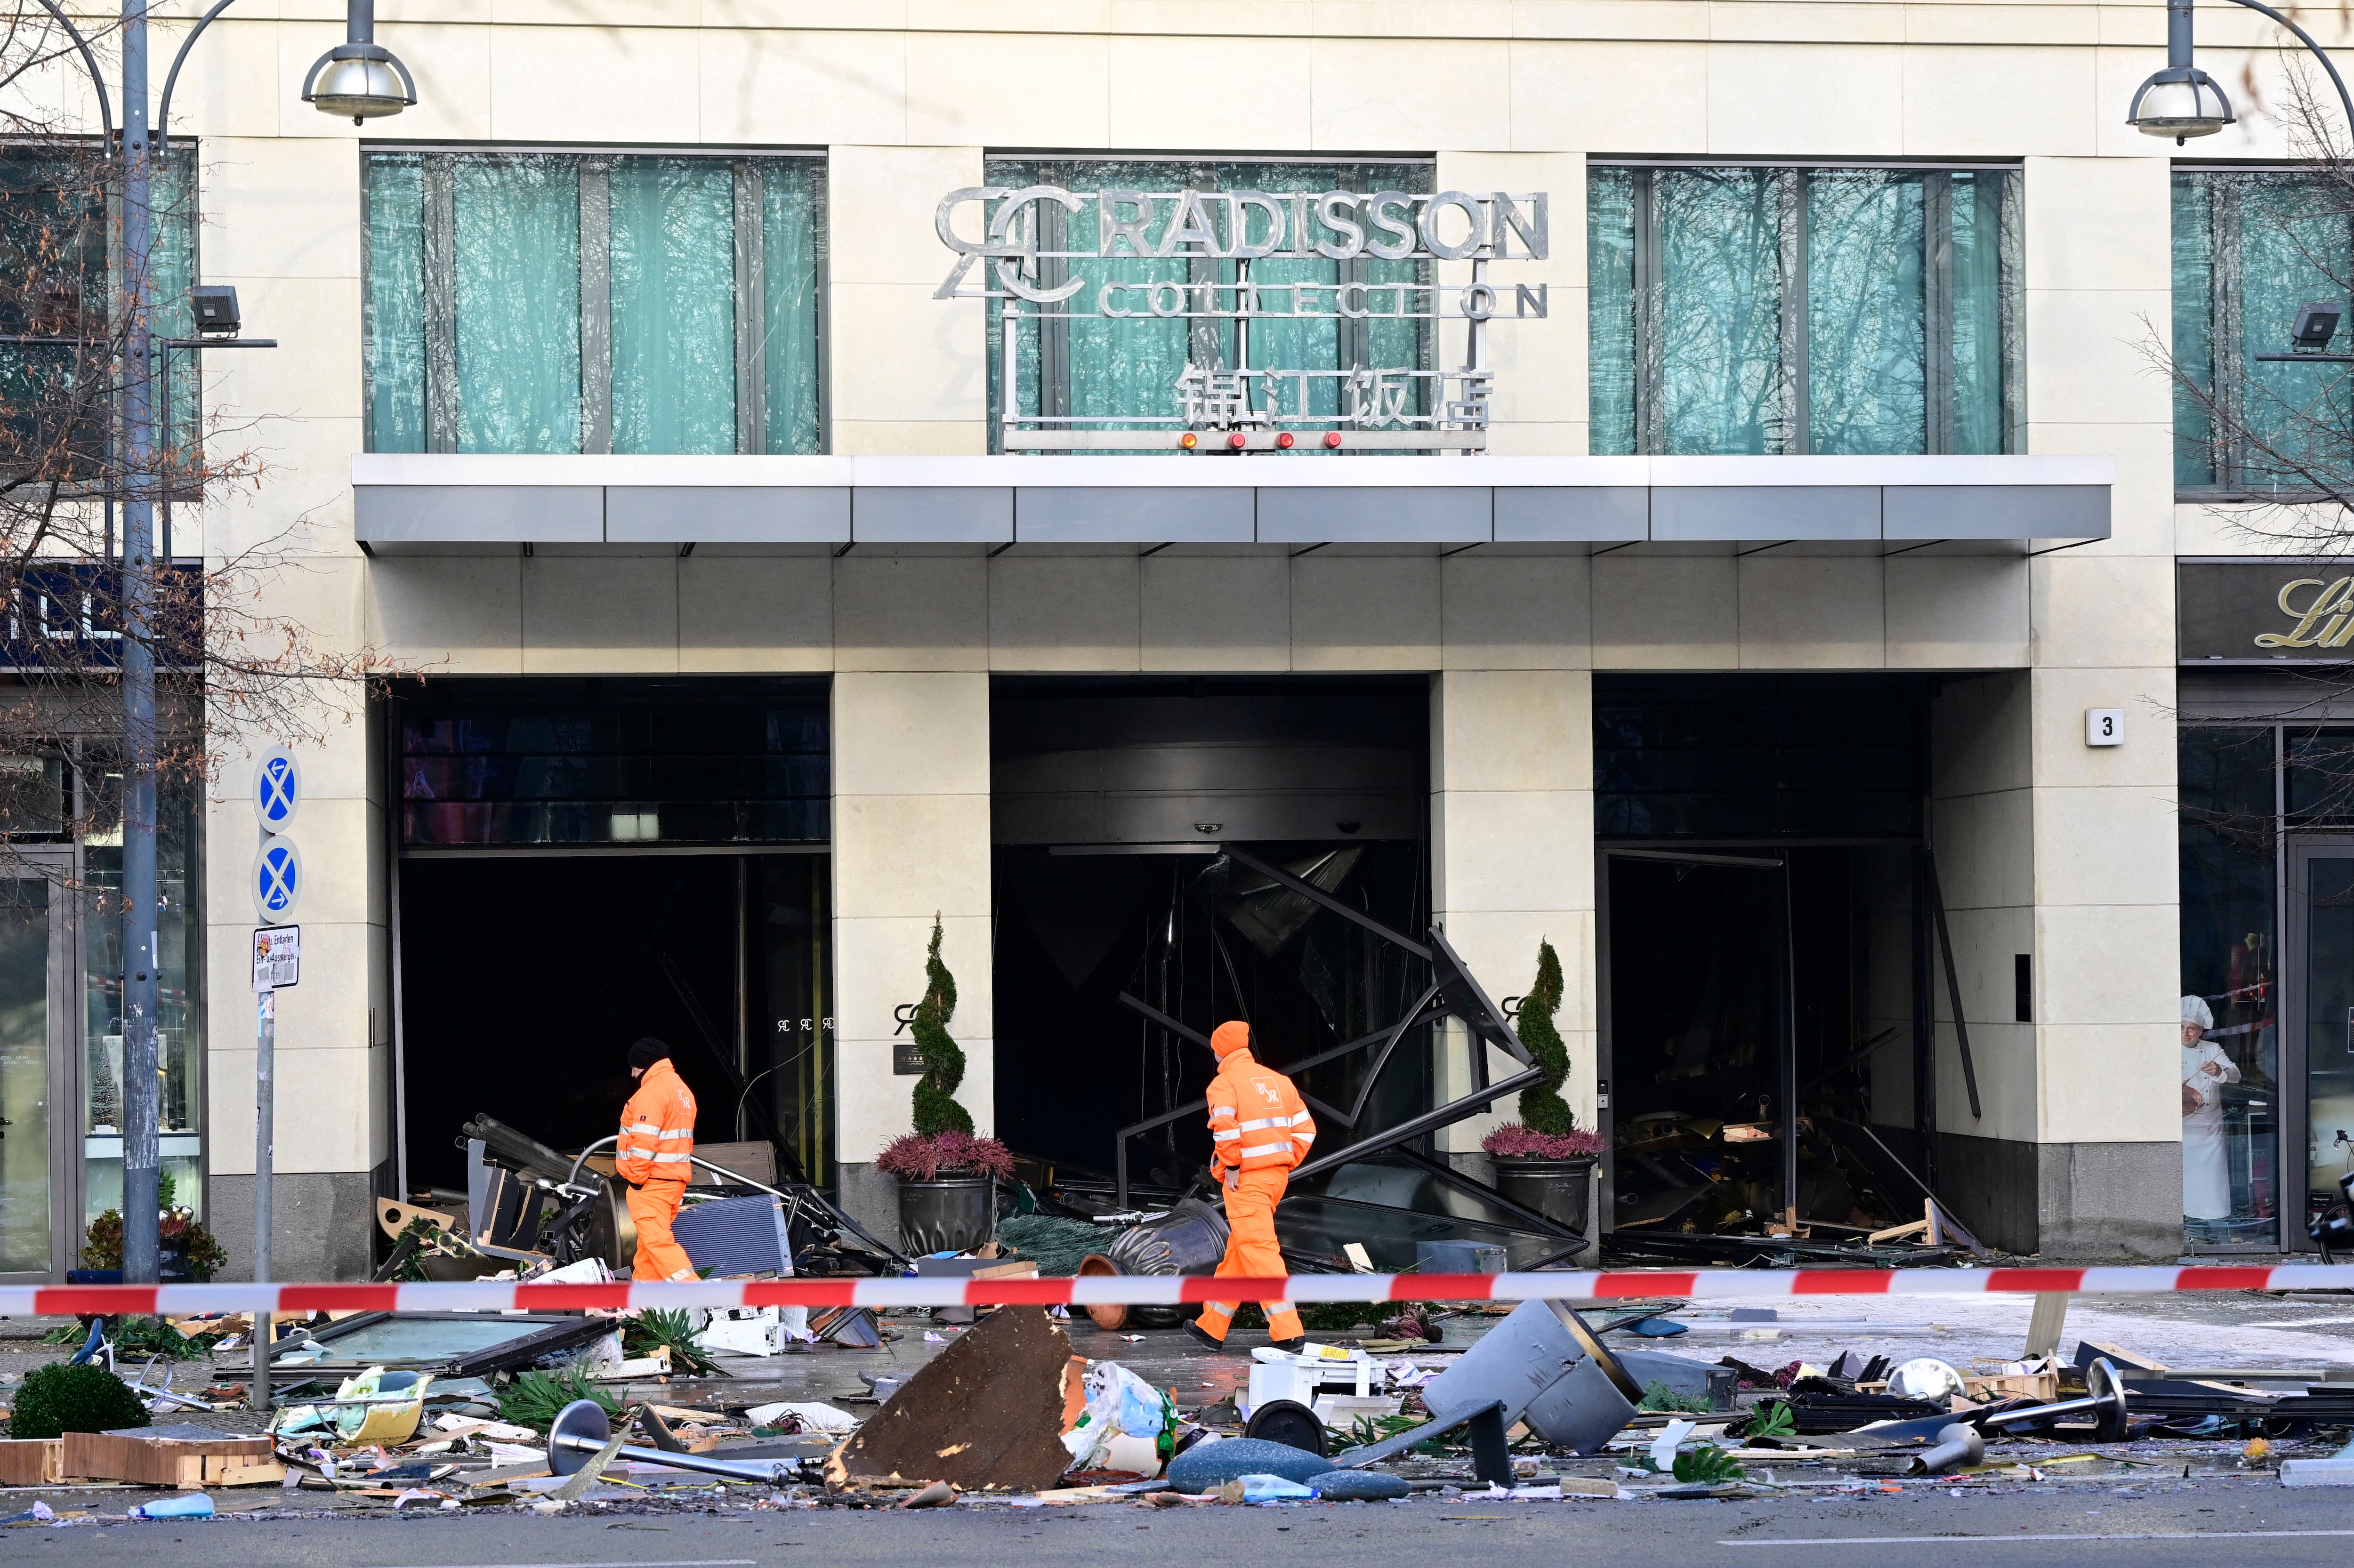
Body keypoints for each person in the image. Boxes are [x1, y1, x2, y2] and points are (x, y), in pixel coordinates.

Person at [1186, 1020, 1316, 1351]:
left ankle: (1289, 1331)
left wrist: (1232, 1165)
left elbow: (1225, 1128)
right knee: (1241, 1252)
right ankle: (1211, 1326)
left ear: (1219, 1051)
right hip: (1275, 1179)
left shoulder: (1223, 1083)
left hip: (1245, 1180)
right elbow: (1306, 1131)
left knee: (1260, 1252)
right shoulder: (1280, 1082)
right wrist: (1282, 1161)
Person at [617, 1037, 698, 1282]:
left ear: (643, 1064)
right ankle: (642, 1308)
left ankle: (701, 1300)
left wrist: (636, 1180)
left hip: (651, 1184)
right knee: (648, 1251)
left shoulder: (652, 1092)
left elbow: (644, 1143)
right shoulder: (681, 1090)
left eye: (633, 1067)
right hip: (672, 1182)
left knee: (659, 1247)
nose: (632, 1074)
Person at [2181, 995, 2239, 1226]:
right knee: (2186, 1177)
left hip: (2211, 1126)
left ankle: (2214, 1222)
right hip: (2183, 1125)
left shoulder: (2213, 1049)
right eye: (2182, 1028)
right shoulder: (2165, 1051)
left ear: (2201, 1032)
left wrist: (2218, 1070)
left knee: (2211, 1179)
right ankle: (2186, 1221)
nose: (2186, 1034)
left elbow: (2236, 1076)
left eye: (2192, 1029)